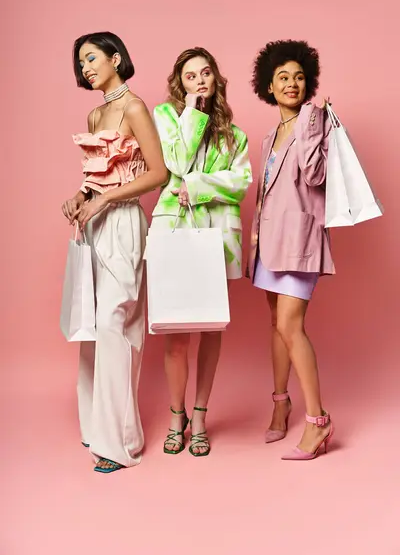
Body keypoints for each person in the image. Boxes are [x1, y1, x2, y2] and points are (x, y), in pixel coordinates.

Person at [61, 31, 167, 473]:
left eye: (91, 58)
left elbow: (158, 173)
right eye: (80, 62)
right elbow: (95, 176)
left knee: (115, 325)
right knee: (91, 328)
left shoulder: (135, 107)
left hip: (124, 223)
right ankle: (96, 430)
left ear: (115, 57)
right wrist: (81, 196)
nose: (86, 67)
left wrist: (107, 198)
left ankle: (122, 443)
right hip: (95, 225)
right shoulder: (95, 114)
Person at [151, 47, 252, 457]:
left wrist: (197, 185)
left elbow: (241, 180)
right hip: (174, 229)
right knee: (176, 335)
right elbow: (175, 160)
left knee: (211, 327)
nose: (200, 81)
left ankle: (201, 416)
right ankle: (177, 416)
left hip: (217, 235)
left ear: (216, 78)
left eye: (206, 73)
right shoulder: (165, 116)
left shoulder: (236, 133)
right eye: (190, 76)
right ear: (181, 84)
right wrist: (192, 113)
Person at [247, 39, 335, 460]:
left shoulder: (311, 122)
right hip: (269, 241)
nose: (292, 83)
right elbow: (266, 189)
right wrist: (254, 235)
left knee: (290, 325)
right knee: (275, 325)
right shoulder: (270, 133)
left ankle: (317, 422)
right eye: (283, 77)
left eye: (299, 77)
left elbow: (316, 177)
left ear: (309, 82)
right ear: (268, 84)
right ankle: (280, 404)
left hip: (299, 239)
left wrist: (312, 126)